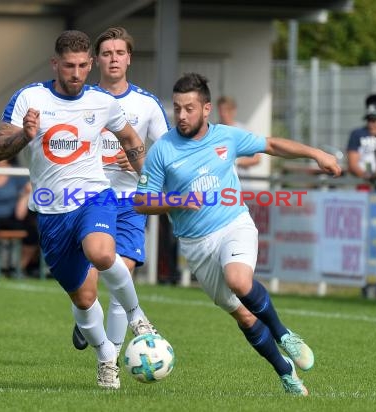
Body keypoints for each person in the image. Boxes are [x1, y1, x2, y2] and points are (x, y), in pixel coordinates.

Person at [134, 73, 342, 396]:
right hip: (196, 245)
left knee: (239, 279)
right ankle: (285, 372)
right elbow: (141, 202)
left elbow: (271, 145)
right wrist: (178, 201)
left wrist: (316, 153)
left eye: (189, 108)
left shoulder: (226, 137)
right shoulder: (162, 150)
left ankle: (284, 333)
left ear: (206, 109)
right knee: (244, 316)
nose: (182, 116)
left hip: (234, 224)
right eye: (177, 108)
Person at [0, 30, 158, 390]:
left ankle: (137, 317)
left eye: (84, 65)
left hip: (95, 197)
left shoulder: (102, 102)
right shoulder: (29, 98)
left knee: (101, 252)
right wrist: (25, 136)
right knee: (84, 299)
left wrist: (147, 180)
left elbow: (131, 139)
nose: (77, 73)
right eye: (69, 66)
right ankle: (105, 358)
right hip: (51, 212)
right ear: (55, 64)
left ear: (90, 64)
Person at [71, 27, 170, 353]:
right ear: (95, 60)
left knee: (121, 277)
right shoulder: (81, 101)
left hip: (129, 200)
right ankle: (86, 314)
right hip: (88, 200)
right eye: (107, 53)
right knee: (87, 287)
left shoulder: (147, 104)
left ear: (129, 58)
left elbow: (167, 153)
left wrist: (141, 164)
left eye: (119, 53)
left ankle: (111, 358)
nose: (113, 59)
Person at [346, 94, 376, 185]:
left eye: (374, 120)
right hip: (364, 184)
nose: (371, 124)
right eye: (368, 120)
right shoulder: (358, 134)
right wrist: (369, 177)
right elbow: (353, 164)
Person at [217, 96, 261, 173]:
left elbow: (257, 159)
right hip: (220, 182)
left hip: (242, 182)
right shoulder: (213, 131)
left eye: (227, 110)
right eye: (221, 110)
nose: (223, 114)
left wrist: (235, 161)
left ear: (234, 111)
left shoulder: (244, 130)